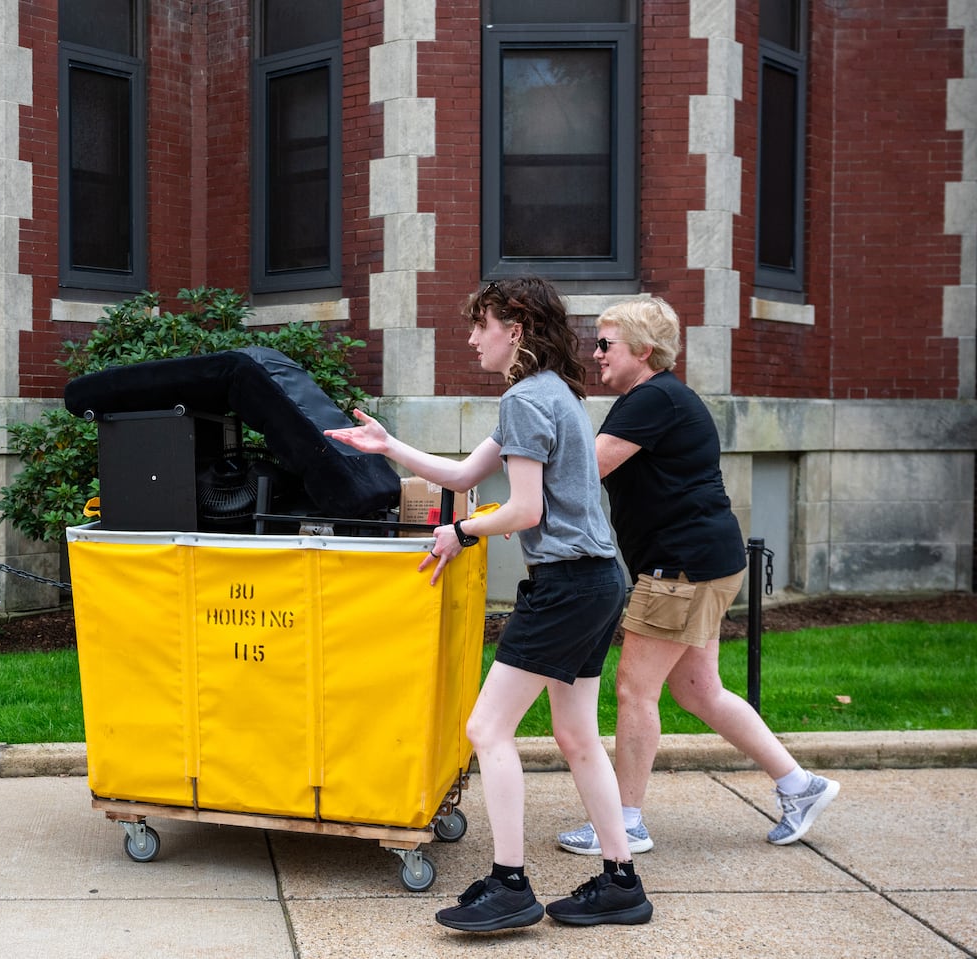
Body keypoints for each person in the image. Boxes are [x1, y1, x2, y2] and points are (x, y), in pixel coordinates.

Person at [326, 276, 652, 931]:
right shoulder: (549, 393)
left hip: (565, 585)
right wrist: (389, 446)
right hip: (598, 579)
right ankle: (621, 879)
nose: (473, 338)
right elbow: (464, 474)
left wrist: (460, 531)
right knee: (577, 736)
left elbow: (525, 507)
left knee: (487, 729)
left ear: (517, 329)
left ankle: (510, 883)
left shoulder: (529, 399)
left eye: (482, 324)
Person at [555, 296, 839, 858]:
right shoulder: (657, 397)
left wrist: (517, 500)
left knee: (635, 690)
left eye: (606, 343)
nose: (596, 353)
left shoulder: (652, 397)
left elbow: (588, 467)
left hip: (679, 567)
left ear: (642, 349)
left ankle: (627, 822)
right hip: (706, 559)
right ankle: (800, 786)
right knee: (697, 688)